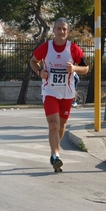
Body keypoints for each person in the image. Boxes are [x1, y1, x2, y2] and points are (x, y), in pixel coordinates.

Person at [30, 18, 89, 172]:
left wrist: (75, 68)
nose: (61, 32)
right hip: (50, 91)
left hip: (67, 93)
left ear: (67, 32)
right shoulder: (45, 47)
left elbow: (86, 68)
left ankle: (53, 150)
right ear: (54, 30)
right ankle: (56, 155)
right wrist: (39, 72)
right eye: (58, 28)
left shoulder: (74, 49)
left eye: (64, 29)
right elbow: (33, 61)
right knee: (53, 124)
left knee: (62, 125)